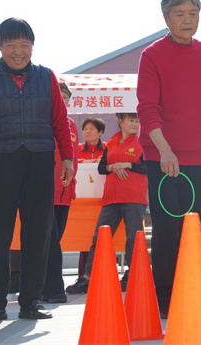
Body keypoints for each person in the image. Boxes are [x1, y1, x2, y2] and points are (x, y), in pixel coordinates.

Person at [137, 0, 201, 318]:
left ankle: (190, 294)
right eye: (179, 14)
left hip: (198, 159)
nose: (187, 20)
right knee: (167, 229)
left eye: (193, 13)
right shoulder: (152, 55)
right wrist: (165, 150)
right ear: (166, 18)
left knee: (191, 230)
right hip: (163, 159)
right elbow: (147, 108)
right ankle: (164, 300)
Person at [0, 18, 73, 323]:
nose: (18, 51)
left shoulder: (46, 76)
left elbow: (60, 120)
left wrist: (68, 158)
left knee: (38, 234)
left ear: (32, 46)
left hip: (39, 160)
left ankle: (31, 301)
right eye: (11, 45)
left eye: (24, 44)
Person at [66, 113, 148, 294]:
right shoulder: (111, 143)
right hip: (111, 198)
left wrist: (127, 164)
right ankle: (87, 278)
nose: (135, 124)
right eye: (131, 121)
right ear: (121, 122)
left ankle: (132, 276)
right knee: (100, 238)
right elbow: (101, 168)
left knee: (133, 239)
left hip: (134, 198)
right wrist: (112, 167)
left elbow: (148, 168)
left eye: (137, 121)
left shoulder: (142, 143)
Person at [40, 81, 79, 303]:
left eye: (66, 100)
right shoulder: (41, 122)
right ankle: (54, 290)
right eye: (59, 99)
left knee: (52, 242)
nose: (63, 103)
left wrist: (71, 186)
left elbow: (73, 159)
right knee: (51, 242)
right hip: (44, 192)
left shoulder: (71, 125)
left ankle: (41, 288)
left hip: (65, 193)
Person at [75, 117, 106, 278]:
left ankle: (103, 274)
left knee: (102, 238)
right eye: (85, 129)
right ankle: (83, 276)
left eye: (91, 129)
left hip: (103, 199)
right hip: (83, 199)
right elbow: (70, 160)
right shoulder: (78, 148)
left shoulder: (107, 147)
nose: (87, 132)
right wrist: (85, 161)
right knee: (84, 238)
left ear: (100, 132)